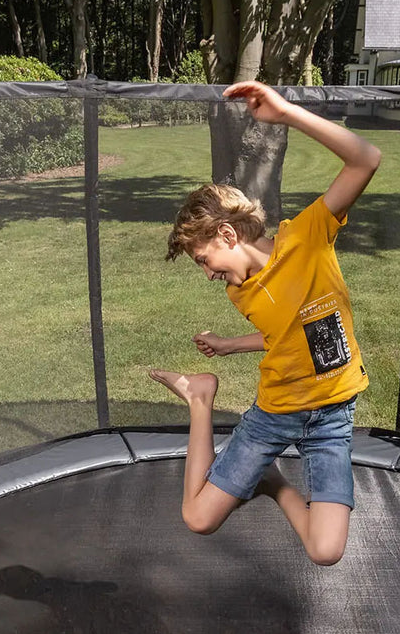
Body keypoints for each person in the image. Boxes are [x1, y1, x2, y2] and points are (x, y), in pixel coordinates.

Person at [149, 81, 381, 566]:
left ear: (228, 234)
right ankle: (200, 396)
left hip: (332, 417)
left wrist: (288, 114)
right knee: (199, 518)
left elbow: (366, 159)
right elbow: (286, 337)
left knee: (325, 550)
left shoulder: (310, 237)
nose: (209, 273)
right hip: (275, 414)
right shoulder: (241, 290)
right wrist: (229, 346)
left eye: (204, 258)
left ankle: (270, 480)